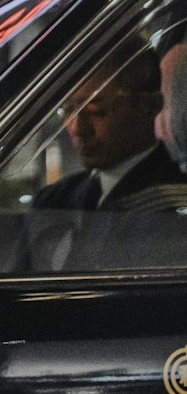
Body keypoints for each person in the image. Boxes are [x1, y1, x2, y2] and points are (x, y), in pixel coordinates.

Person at [27, 50, 187, 271]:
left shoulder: (175, 210)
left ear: (148, 106)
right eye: (67, 110)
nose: (77, 128)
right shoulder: (53, 200)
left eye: (96, 110)